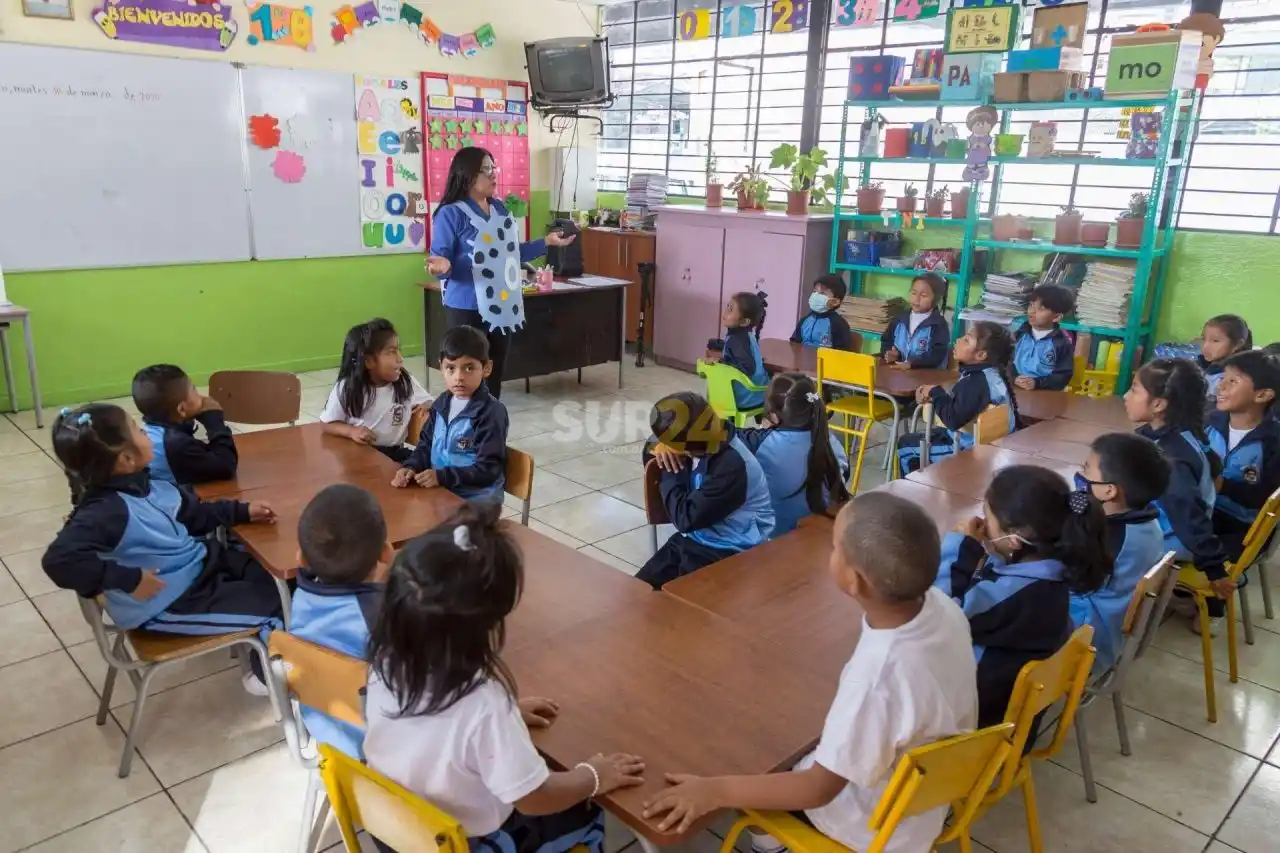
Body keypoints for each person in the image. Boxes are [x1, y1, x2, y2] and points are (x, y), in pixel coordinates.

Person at [639, 494, 978, 853]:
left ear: (855, 581)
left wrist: (714, 790)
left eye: (834, 547)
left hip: (869, 826)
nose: (829, 552)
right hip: (923, 802)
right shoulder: (942, 608)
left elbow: (816, 790)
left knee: (749, 751)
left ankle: (772, 844)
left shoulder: (878, 678)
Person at [362, 503, 644, 853]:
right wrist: (593, 777)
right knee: (586, 813)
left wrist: (505, 719)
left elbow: (439, 734)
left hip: (396, 831)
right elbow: (533, 798)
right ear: (488, 625)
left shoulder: (384, 662)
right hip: (468, 844)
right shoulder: (483, 705)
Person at [41, 404, 281, 695]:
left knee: (279, 578)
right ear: (126, 459)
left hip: (198, 568)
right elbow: (59, 560)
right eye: (139, 430)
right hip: (170, 603)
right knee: (277, 608)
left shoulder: (147, 483)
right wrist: (128, 579)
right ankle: (265, 677)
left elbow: (193, 515)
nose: (148, 432)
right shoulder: (105, 511)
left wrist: (242, 511)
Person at [937, 465, 1111, 725]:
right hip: (1011, 718)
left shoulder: (1012, 597)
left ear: (1014, 540)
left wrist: (960, 547)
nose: (982, 522)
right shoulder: (1056, 575)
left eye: (987, 515)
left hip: (972, 727)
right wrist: (997, 556)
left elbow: (938, 613)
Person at [424, 147, 576, 400]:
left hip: (503, 303)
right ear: (467, 175)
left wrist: (546, 242)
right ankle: (466, 427)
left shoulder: (501, 210)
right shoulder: (450, 214)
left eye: (494, 168)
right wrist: (443, 268)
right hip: (466, 306)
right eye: (486, 169)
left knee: (493, 372)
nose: (493, 174)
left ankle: (490, 424)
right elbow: (440, 262)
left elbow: (510, 255)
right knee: (466, 376)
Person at [1125, 357, 1231, 633]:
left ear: (1159, 405)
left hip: (1173, 540)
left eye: (1134, 389)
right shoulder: (1178, 435)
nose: (1126, 396)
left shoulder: (1171, 458)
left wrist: (1214, 568)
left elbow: (1189, 516)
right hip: (1170, 528)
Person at [290, 483, 394, 758]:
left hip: (329, 739)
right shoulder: (383, 617)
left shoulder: (301, 597)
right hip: (380, 753)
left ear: (300, 558)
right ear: (387, 552)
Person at [638, 392, 774, 588]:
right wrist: (657, 447)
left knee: (676, 610)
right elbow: (652, 443)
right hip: (696, 539)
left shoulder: (731, 466)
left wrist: (670, 469)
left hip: (731, 550)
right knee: (637, 594)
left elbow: (685, 519)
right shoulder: (704, 432)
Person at [1070, 433, 1170, 672]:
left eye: (1086, 469)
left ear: (1109, 491)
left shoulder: (1111, 540)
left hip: (1084, 643)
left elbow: (1067, 577)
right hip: (1107, 630)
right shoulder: (1146, 523)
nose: (1080, 476)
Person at [393, 326, 508, 502]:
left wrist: (442, 477)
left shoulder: (491, 412)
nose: (459, 377)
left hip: (478, 501)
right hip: (442, 492)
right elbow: (425, 446)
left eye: (469, 368)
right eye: (451, 368)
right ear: (441, 368)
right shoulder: (441, 404)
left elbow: (488, 470)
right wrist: (412, 467)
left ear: (486, 368)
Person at [895, 321, 1018, 474]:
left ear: (980, 355)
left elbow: (952, 420)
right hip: (989, 442)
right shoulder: (990, 374)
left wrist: (935, 392)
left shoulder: (977, 382)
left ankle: (910, 495)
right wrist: (934, 394)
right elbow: (962, 404)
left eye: (966, 339)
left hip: (971, 449)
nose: (958, 340)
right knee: (922, 436)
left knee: (906, 446)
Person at [735, 373, 850, 536]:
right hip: (822, 534)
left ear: (773, 415)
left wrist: (763, 431)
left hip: (774, 538)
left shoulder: (761, 442)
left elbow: (722, 433)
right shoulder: (832, 442)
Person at [320, 318, 432, 463]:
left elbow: (432, 403)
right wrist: (352, 431)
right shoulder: (347, 388)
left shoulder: (405, 381)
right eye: (391, 352)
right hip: (359, 455)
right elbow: (326, 423)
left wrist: (425, 406)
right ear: (369, 361)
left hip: (395, 453)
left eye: (399, 350)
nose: (400, 358)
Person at [1207, 350, 1280, 564]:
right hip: (1202, 513)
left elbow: (1268, 500)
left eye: (1233, 381)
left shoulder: (1274, 442)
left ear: (1262, 395)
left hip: (1240, 530)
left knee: (1172, 540)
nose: (1221, 386)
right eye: (1222, 378)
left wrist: (1222, 486)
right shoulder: (1207, 423)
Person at [132, 364, 237, 485]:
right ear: (182, 409)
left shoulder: (154, 431)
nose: (202, 396)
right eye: (194, 390)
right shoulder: (177, 444)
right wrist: (214, 421)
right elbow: (226, 467)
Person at [1012, 284, 1076, 392]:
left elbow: (1062, 377)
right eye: (1031, 305)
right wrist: (1014, 378)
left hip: (1044, 393)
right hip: (1015, 389)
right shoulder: (1019, 335)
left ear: (1056, 317)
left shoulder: (1061, 344)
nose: (1031, 312)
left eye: (1041, 309)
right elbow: (1003, 361)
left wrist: (1037, 383)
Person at [880, 272, 950, 370]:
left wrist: (912, 363)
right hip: (899, 373)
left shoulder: (939, 324)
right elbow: (886, 341)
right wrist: (890, 354)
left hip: (926, 377)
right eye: (913, 293)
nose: (916, 299)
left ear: (936, 299)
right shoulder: (899, 319)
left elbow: (937, 355)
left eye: (923, 295)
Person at [713, 291, 769, 411]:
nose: (726, 311)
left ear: (744, 322)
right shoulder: (746, 335)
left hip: (745, 397)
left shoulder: (736, 340)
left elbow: (746, 368)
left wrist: (720, 364)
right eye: (727, 306)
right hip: (757, 393)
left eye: (731, 309)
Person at [790, 274, 854, 351]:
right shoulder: (805, 320)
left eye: (822, 293)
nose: (816, 295)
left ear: (836, 301)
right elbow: (793, 344)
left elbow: (842, 353)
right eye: (815, 291)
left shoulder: (839, 324)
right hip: (802, 361)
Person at [1198, 314, 1252, 401]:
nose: (1205, 346)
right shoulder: (1199, 366)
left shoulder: (1232, 379)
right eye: (1203, 339)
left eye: (1215, 341)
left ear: (1237, 344)